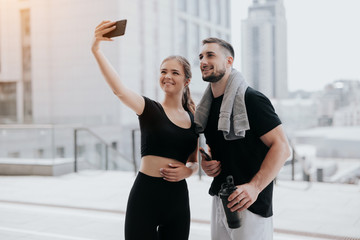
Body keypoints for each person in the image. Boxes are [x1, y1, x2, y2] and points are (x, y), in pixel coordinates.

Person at [91, 20, 199, 240]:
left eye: (175, 73)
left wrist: (188, 171)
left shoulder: (194, 119)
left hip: (177, 200)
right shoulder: (149, 109)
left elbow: (194, 161)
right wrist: (96, 49)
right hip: (145, 197)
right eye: (163, 71)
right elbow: (119, 90)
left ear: (187, 80)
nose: (167, 76)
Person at [195, 37, 291, 240]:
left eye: (210, 55)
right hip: (220, 198)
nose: (203, 61)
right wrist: (209, 162)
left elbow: (282, 148)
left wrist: (254, 188)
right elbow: (219, 146)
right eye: (201, 56)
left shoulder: (252, 99)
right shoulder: (208, 106)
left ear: (229, 61)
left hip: (251, 203)